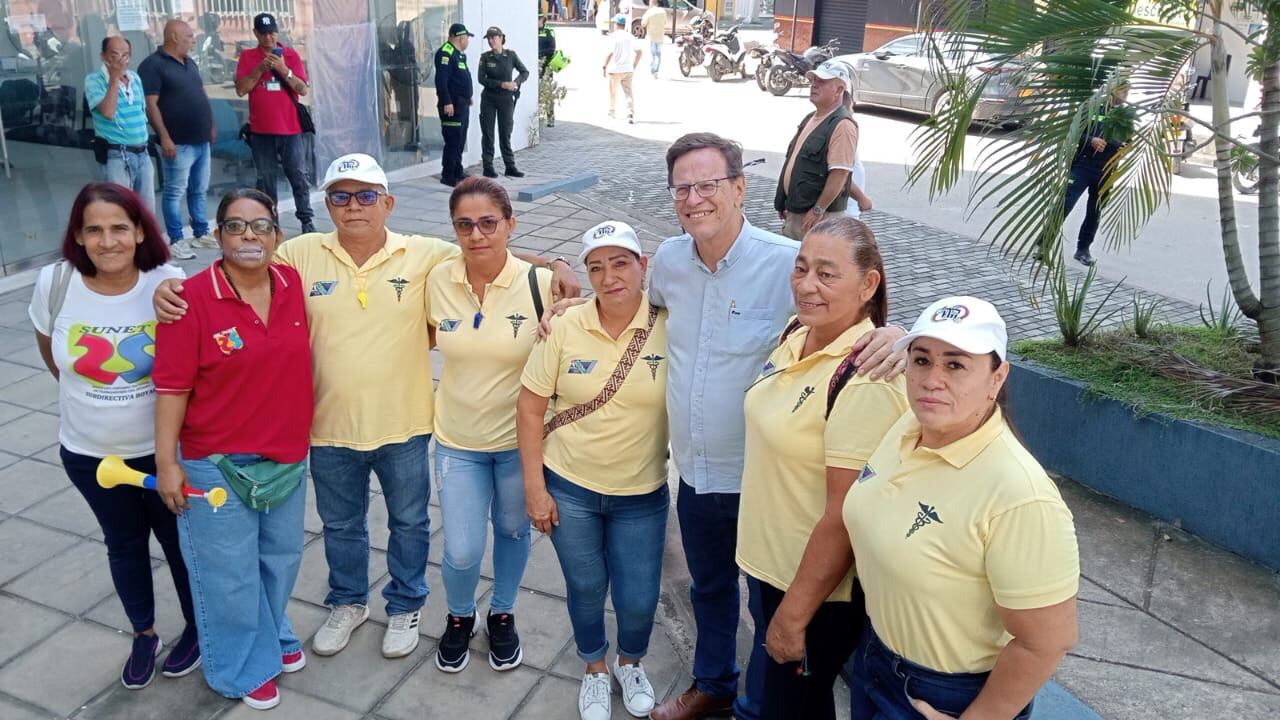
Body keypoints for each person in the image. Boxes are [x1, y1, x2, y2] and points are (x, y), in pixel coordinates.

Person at [153, 153, 581, 663]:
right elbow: (243, 259)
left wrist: (555, 263)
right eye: (340, 196)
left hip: (406, 422)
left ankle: (405, 605)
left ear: (388, 202)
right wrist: (171, 284)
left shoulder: (422, 253)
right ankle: (349, 602)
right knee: (341, 524)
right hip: (329, 425)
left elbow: (489, 250)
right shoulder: (302, 253)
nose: (353, 206)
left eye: (365, 196)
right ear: (327, 204)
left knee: (409, 523)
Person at [644, 133, 905, 720]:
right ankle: (713, 683)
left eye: (708, 184)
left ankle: (761, 705)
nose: (694, 198)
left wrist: (901, 337)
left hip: (765, 483)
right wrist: (564, 293)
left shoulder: (786, 262)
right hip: (695, 470)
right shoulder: (665, 261)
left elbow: (849, 300)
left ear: (739, 189)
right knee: (708, 589)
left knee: (773, 615)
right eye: (682, 187)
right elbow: (643, 314)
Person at [806, 296, 1077, 720]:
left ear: (996, 377)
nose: (932, 379)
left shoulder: (1019, 495)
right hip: (876, 656)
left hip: (945, 695)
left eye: (955, 365)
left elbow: (1047, 640)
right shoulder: (908, 426)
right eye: (921, 360)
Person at [28, 182, 199, 692]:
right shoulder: (55, 283)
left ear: (140, 230)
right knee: (123, 545)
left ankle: (196, 628)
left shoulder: (168, 281)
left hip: (160, 453)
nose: (108, 241)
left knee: (178, 544)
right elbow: (53, 355)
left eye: (119, 228)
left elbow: (190, 365)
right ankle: (144, 633)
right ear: (78, 237)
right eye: (94, 230)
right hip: (88, 454)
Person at [738, 217, 909, 718]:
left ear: (868, 284)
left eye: (827, 274)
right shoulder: (800, 332)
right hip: (772, 567)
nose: (807, 285)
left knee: (795, 708)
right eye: (802, 268)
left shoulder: (867, 379)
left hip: (815, 592)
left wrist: (794, 616)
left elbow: (843, 515)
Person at [153, 188, 314, 711]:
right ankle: (238, 668)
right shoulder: (189, 300)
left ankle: (271, 635)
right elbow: (172, 388)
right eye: (236, 226)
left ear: (277, 236)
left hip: (285, 456)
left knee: (279, 560)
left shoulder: (292, 283)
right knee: (229, 572)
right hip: (215, 463)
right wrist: (166, 464)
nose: (250, 235)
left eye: (261, 225)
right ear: (218, 236)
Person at [518, 221, 668, 720]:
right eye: (596, 267)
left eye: (621, 263)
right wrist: (535, 489)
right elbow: (530, 408)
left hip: (641, 493)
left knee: (639, 594)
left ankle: (630, 662)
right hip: (571, 486)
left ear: (643, 266)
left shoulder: (672, 323)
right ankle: (596, 669)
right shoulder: (563, 325)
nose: (610, 277)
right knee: (584, 586)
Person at [428, 177, 551, 674]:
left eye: (488, 223)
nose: (477, 234)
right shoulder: (437, 279)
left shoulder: (542, 285)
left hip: (518, 444)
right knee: (460, 548)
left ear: (510, 224)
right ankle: (460, 616)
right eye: (465, 224)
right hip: (458, 439)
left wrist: (559, 267)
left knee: (512, 530)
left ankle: (502, 611)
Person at [139, 19, 216, 260]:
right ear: (174, 37)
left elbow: (201, 95)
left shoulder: (189, 62)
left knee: (199, 189)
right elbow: (151, 105)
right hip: (178, 142)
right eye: (190, 36)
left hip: (201, 139)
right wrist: (164, 137)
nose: (194, 40)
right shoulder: (152, 65)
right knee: (174, 192)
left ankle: (201, 232)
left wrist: (211, 124)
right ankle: (176, 239)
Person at [235, 12, 315, 234]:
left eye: (272, 33)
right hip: (261, 132)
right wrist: (261, 68)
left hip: (291, 130)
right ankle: (271, 223)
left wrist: (283, 69)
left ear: (278, 32)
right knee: (266, 180)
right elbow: (241, 89)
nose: (269, 38)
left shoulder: (290, 55)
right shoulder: (248, 57)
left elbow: (302, 89)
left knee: (298, 176)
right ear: (256, 34)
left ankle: (306, 221)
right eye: (263, 34)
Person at [774, 61, 868, 242]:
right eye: (814, 80)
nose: (814, 85)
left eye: (822, 81)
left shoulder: (843, 125)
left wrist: (818, 210)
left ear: (839, 91)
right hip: (797, 211)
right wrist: (783, 199)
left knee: (812, 266)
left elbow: (840, 174)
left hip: (816, 218)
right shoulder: (811, 118)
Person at [1062, 82, 1135, 266]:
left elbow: (1129, 140)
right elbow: (1073, 132)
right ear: (1112, 88)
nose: (1125, 95)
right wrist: (1090, 140)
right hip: (1084, 165)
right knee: (1065, 205)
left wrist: (1124, 147)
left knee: (1095, 212)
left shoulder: (1126, 115)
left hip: (1106, 170)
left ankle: (1083, 249)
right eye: (1123, 91)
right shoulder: (1092, 108)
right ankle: (1043, 243)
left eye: (1127, 92)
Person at [86, 37, 158, 218]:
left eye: (125, 56)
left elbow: (142, 112)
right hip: (116, 155)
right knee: (120, 210)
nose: (120, 61)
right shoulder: (94, 80)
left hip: (142, 153)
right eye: (114, 55)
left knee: (147, 210)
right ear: (103, 56)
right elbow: (108, 112)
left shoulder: (135, 78)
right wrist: (114, 79)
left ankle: (145, 245)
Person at [478, 26, 529, 179]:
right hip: (489, 98)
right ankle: (488, 166)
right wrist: (501, 84)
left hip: (506, 99)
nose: (491, 40)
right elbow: (481, 79)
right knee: (488, 133)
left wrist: (515, 82)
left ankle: (510, 166)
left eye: (494, 37)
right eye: (489, 38)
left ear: (501, 38)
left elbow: (525, 72)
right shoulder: (485, 57)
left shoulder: (511, 55)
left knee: (505, 133)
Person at [436, 23, 475, 187]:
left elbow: (462, 77)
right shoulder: (446, 53)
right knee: (453, 140)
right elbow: (441, 80)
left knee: (460, 139)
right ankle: (448, 174)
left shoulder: (459, 55)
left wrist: (469, 95)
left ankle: (458, 171)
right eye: (467, 38)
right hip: (452, 106)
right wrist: (447, 102)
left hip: (462, 104)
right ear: (461, 38)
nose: (468, 41)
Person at [604, 14, 641, 123]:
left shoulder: (613, 36)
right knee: (628, 93)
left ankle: (612, 111)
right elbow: (639, 51)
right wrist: (634, 65)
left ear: (616, 24)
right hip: (628, 69)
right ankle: (630, 112)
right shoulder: (630, 36)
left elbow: (610, 53)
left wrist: (604, 65)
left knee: (613, 92)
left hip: (614, 69)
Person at [537, 15, 557, 127]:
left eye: (538, 19)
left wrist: (538, 53)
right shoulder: (530, 29)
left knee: (547, 92)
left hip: (546, 67)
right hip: (533, 66)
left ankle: (550, 117)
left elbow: (552, 49)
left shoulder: (549, 31)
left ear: (542, 20)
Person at [641, 0, 666, 79]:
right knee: (658, 54)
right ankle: (655, 70)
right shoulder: (663, 11)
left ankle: (653, 68)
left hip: (651, 36)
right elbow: (665, 22)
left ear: (651, 3)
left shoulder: (649, 12)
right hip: (660, 35)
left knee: (653, 53)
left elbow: (643, 24)